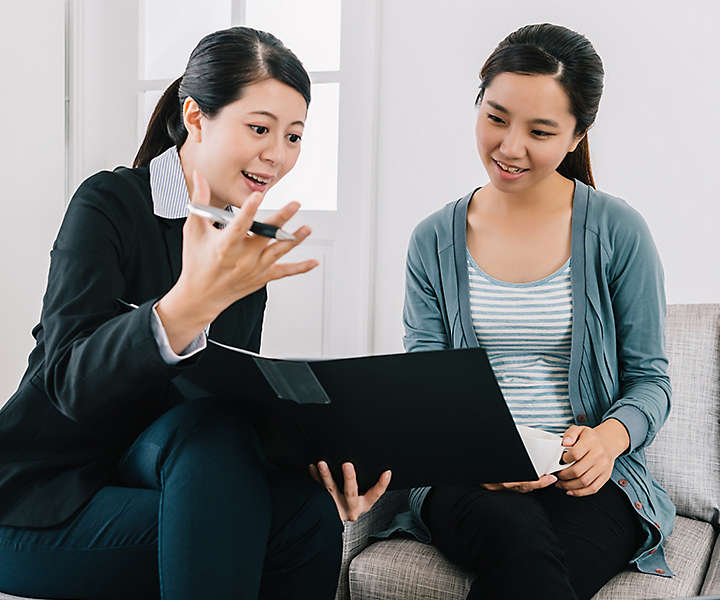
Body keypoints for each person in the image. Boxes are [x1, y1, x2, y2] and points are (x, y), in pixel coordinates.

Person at [0, 26, 389, 600]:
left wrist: (318, 455)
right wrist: (185, 306)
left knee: (303, 504)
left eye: (294, 136)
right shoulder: (108, 204)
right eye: (259, 129)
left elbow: (225, 401)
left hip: (161, 477)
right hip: (42, 505)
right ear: (196, 117)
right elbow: (68, 385)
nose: (277, 155)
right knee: (219, 465)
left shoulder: (244, 242)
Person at [379, 23, 675, 600]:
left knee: (537, 564)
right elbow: (426, 387)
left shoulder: (619, 231)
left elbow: (651, 381)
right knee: (515, 535)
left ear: (577, 135)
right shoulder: (434, 240)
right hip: (468, 475)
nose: (509, 148)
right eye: (495, 118)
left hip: (587, 481)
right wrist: (476, 456)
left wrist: (609, 441)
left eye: (540, 131)